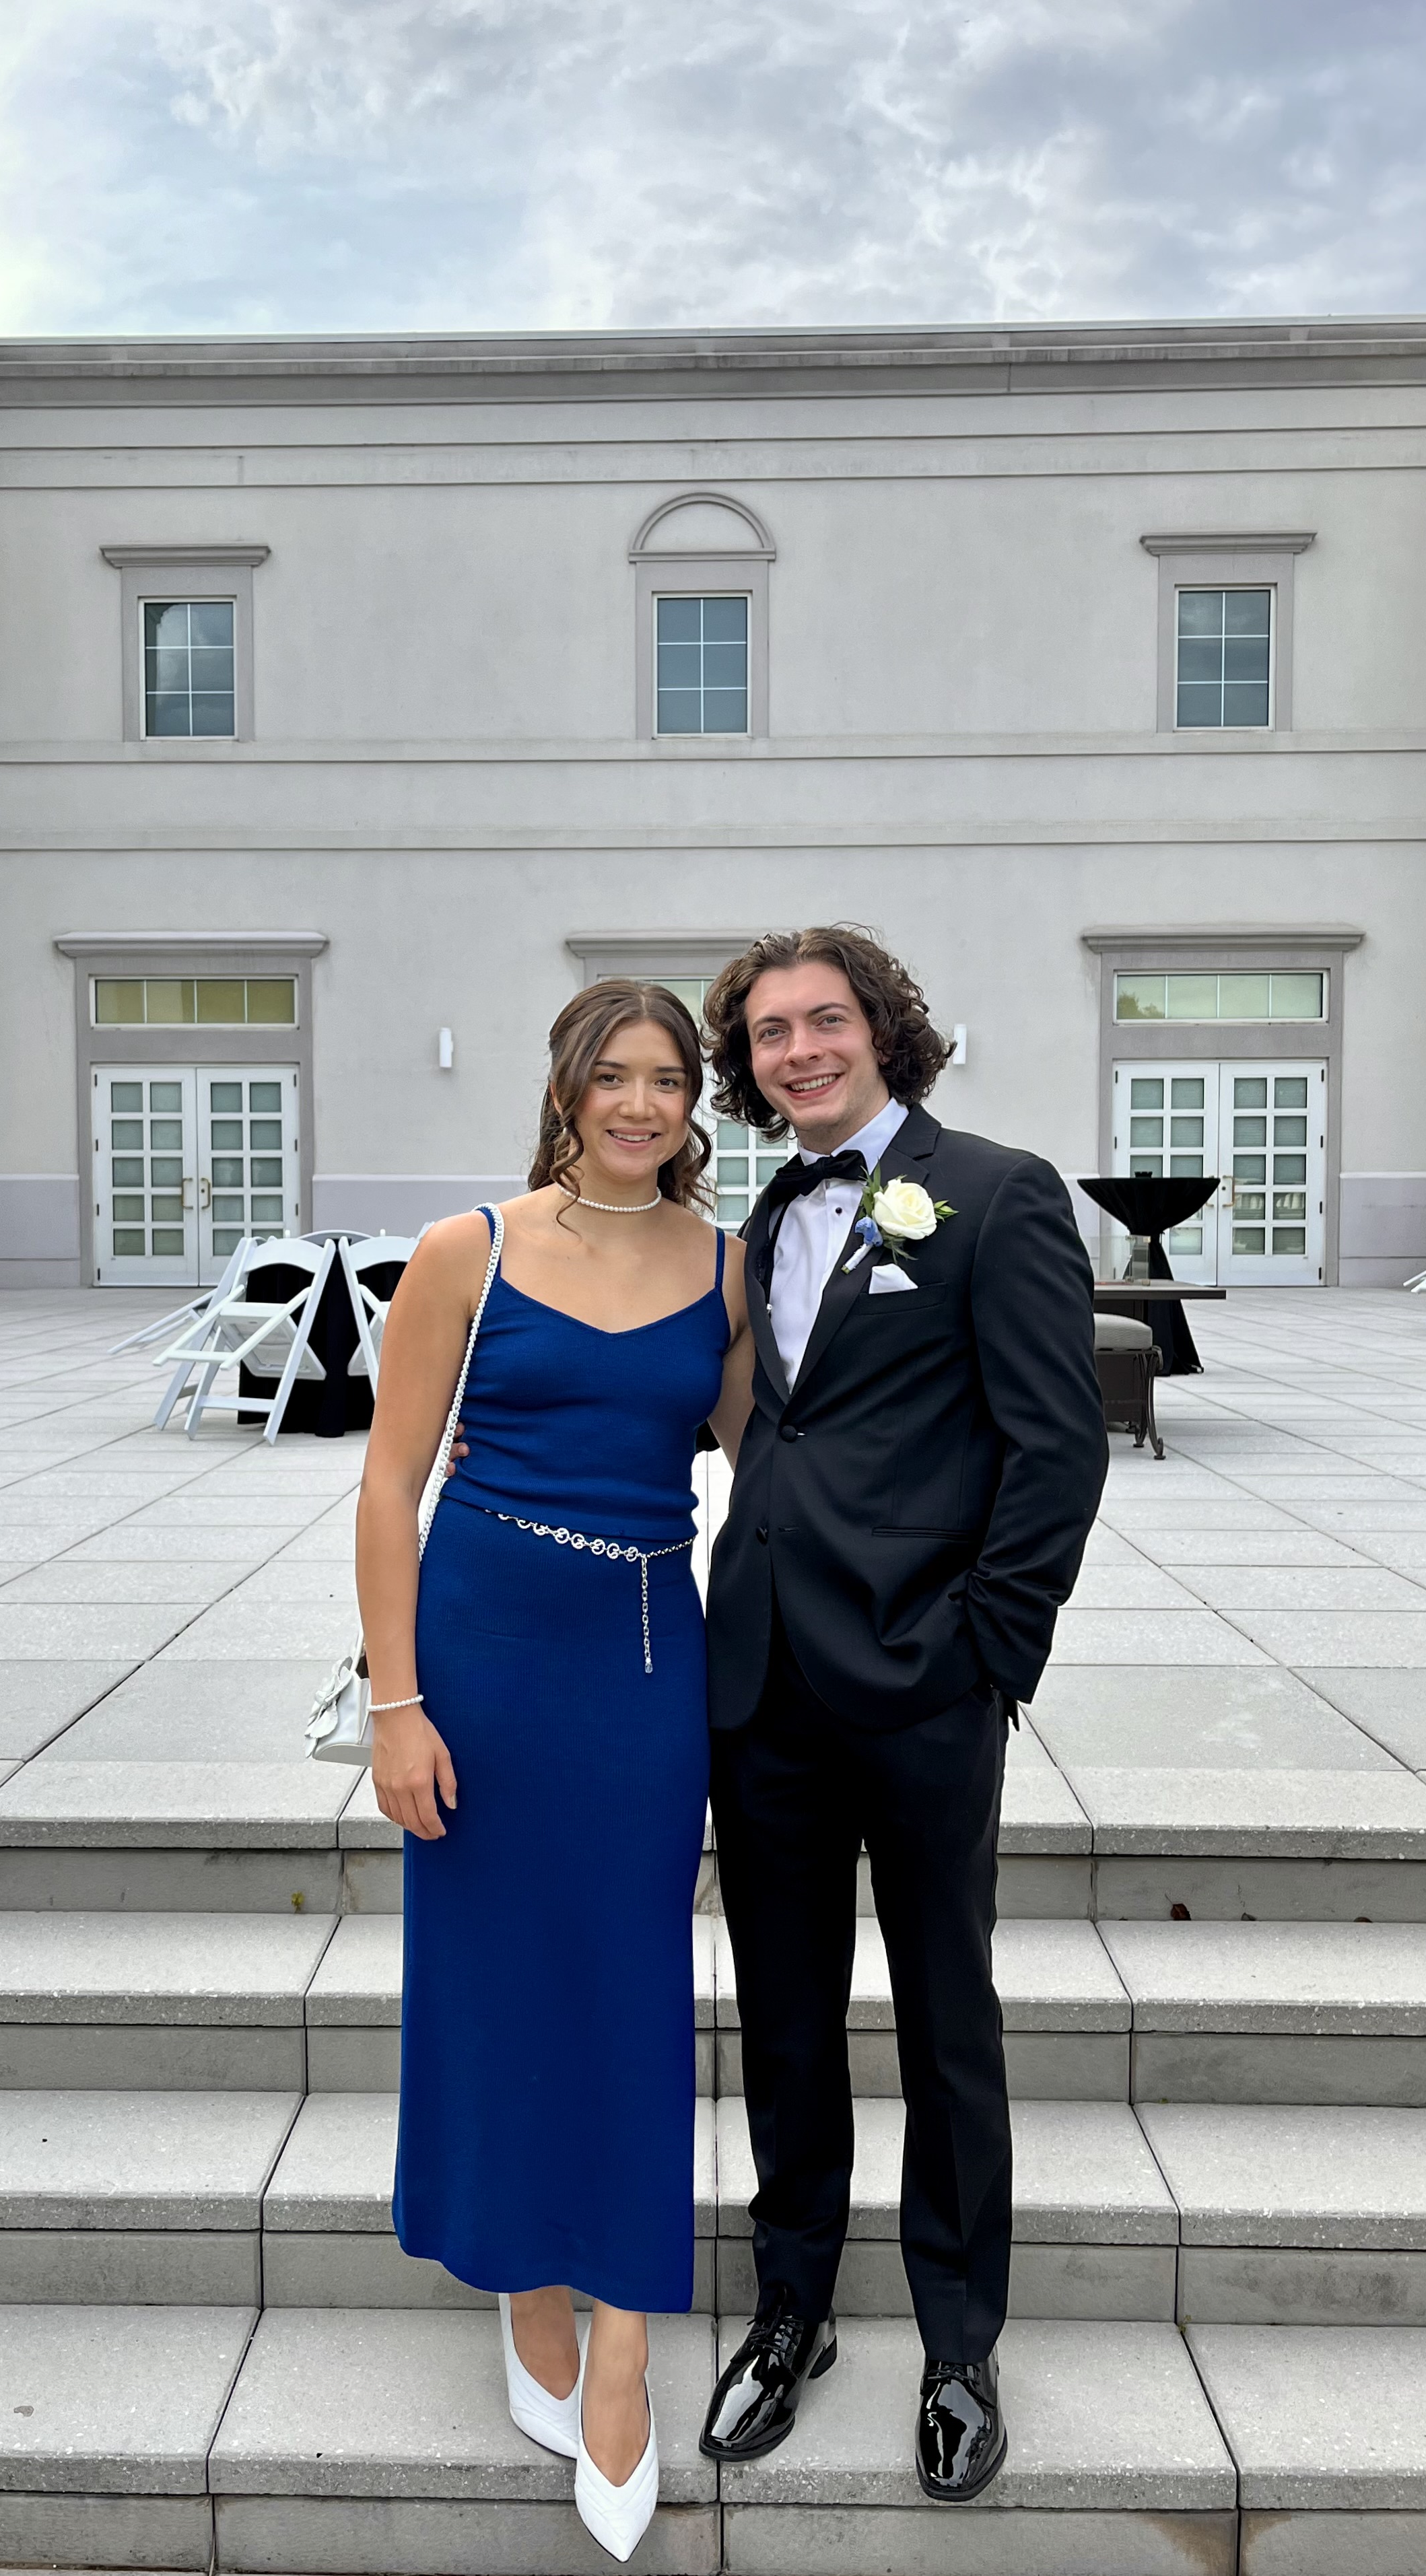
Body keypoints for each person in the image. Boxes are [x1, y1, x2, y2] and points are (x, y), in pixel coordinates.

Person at [695, 925, 1107, 2502]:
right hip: (762, 1689)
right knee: (785, 2025)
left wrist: (987, 1651)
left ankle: (955, 2341)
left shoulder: (996, 1194)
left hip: (926, 1686)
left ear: (883, 1030)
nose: (798, 1050)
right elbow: (761, 1429)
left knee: (947, 2019)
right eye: (771, 1033)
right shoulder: (754, 1220)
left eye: (824, 1021)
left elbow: (1051, 1449)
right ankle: (792, 2309)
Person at [353, 979, 753, 2564]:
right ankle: (524, 2274)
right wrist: (398, 1702)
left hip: (648, 1657)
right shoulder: (474, 1248)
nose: (640, 1104)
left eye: (667, 1079)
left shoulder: (724, 1269)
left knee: (631, 1979)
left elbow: (768, 1454)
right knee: (495, 1976)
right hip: (484, 1651)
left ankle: (631, 2337)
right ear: (567, 1088)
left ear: (693, 1097)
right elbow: (391, 1483)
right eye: (614, 1076)